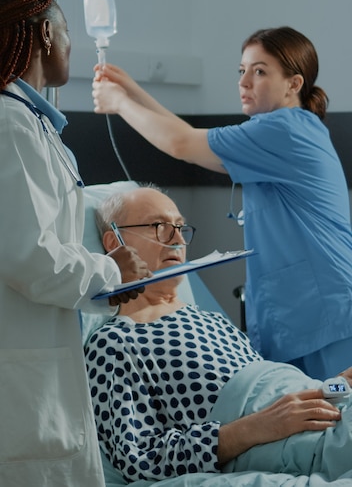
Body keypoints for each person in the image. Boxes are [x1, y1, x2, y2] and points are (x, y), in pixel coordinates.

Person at [91, 26, 352, 381]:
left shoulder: (284, 129)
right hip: (301, 314)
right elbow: (188, 137)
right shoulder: (282, 132)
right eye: (241, 70)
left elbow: (181, 144)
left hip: (322, 313)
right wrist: (132, 89)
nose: (244, 81)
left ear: (294, 83)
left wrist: (119, 102)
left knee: (336, 424)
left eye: (260, 71)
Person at [84, 184, 352, 484]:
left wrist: (335, 388)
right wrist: (256, 427)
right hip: (303, 441)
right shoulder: (114, 343)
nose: (176, 240)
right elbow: (140, 460)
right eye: (158, 226)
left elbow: (279, 396)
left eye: (180, 227)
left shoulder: (210, 320)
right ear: (114, 242)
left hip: (328, 408)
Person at [0, 0, 151, 487]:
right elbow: (30, 256)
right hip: (21, 376)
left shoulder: (30, 122)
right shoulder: (9, 124)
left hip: (38, 358)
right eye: (67, 33)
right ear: (44, 35)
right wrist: (113, 271)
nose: (71, 47)